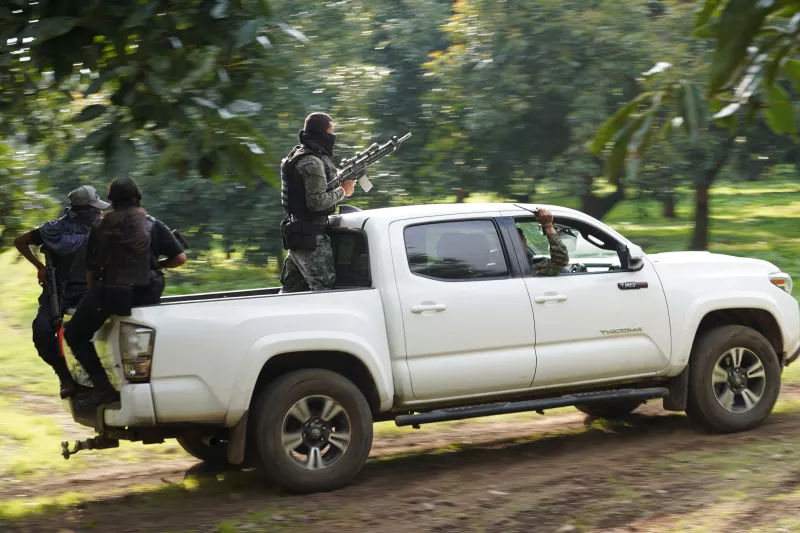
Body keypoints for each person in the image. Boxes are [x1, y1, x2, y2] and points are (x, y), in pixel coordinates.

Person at [63, 177, 186, 408]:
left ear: (110, 201)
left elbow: (90, 269)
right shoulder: (153, 225)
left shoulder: (100, 227)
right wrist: (157, 266)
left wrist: (95, 296)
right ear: (138, 197)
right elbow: (180, 258)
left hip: (111, 295)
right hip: (147, 294)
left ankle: (103, 388)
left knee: (74, 334)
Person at [13, 185, 109, 399]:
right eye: (95, 208)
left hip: (89, 291)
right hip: (58, 290)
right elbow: (20, 241)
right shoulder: (54, 229)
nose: (99, 212)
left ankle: (98, 380)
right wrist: (40, 267)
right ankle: (65, 377)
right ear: (86, 209)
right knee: (43, 332)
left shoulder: (103, 229)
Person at [278, 112, 362, 293]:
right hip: (311, 239)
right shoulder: (312, 162)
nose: (333, 136)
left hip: (300, 234)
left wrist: (342, 181)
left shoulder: (300, 154)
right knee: (324, 289)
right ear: (320, 133)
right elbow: (316, 202)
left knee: (292, 290)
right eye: (331, 131)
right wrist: (343, 191)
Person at [517, 208, 570, 276]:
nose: (526, 246)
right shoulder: (527, 271)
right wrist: (548, 226)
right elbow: (559, 262)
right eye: (523, 241)